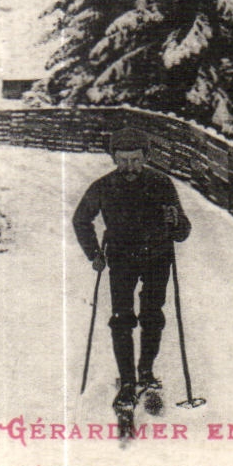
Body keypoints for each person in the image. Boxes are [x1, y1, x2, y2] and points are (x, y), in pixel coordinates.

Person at [72, 127, 191, 411]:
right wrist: (94, 254)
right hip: (122, 259)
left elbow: (183, 231)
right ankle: (127, 382)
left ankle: (146, 373)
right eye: (123, 160)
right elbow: (81, 220)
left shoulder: (162, 184)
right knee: (121, 318)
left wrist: (175, 222)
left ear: (146, 157)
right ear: (114, 158)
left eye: (136, 160)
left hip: (157, 257)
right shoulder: (103, 186)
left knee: (152, 315)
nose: (129, 167)